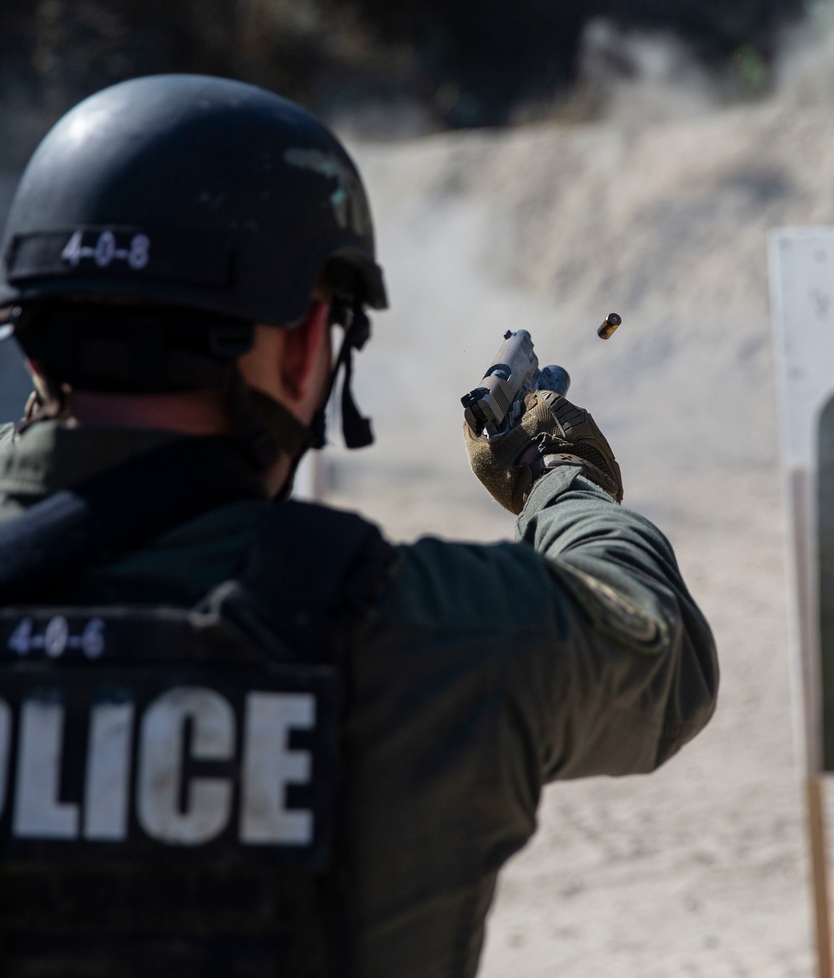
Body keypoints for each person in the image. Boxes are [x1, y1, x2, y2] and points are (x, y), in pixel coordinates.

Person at [0, 74, 718, 978]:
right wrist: (557, 477)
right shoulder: (433, 635)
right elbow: (660, 649)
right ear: (306, 347)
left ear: (29, 343)